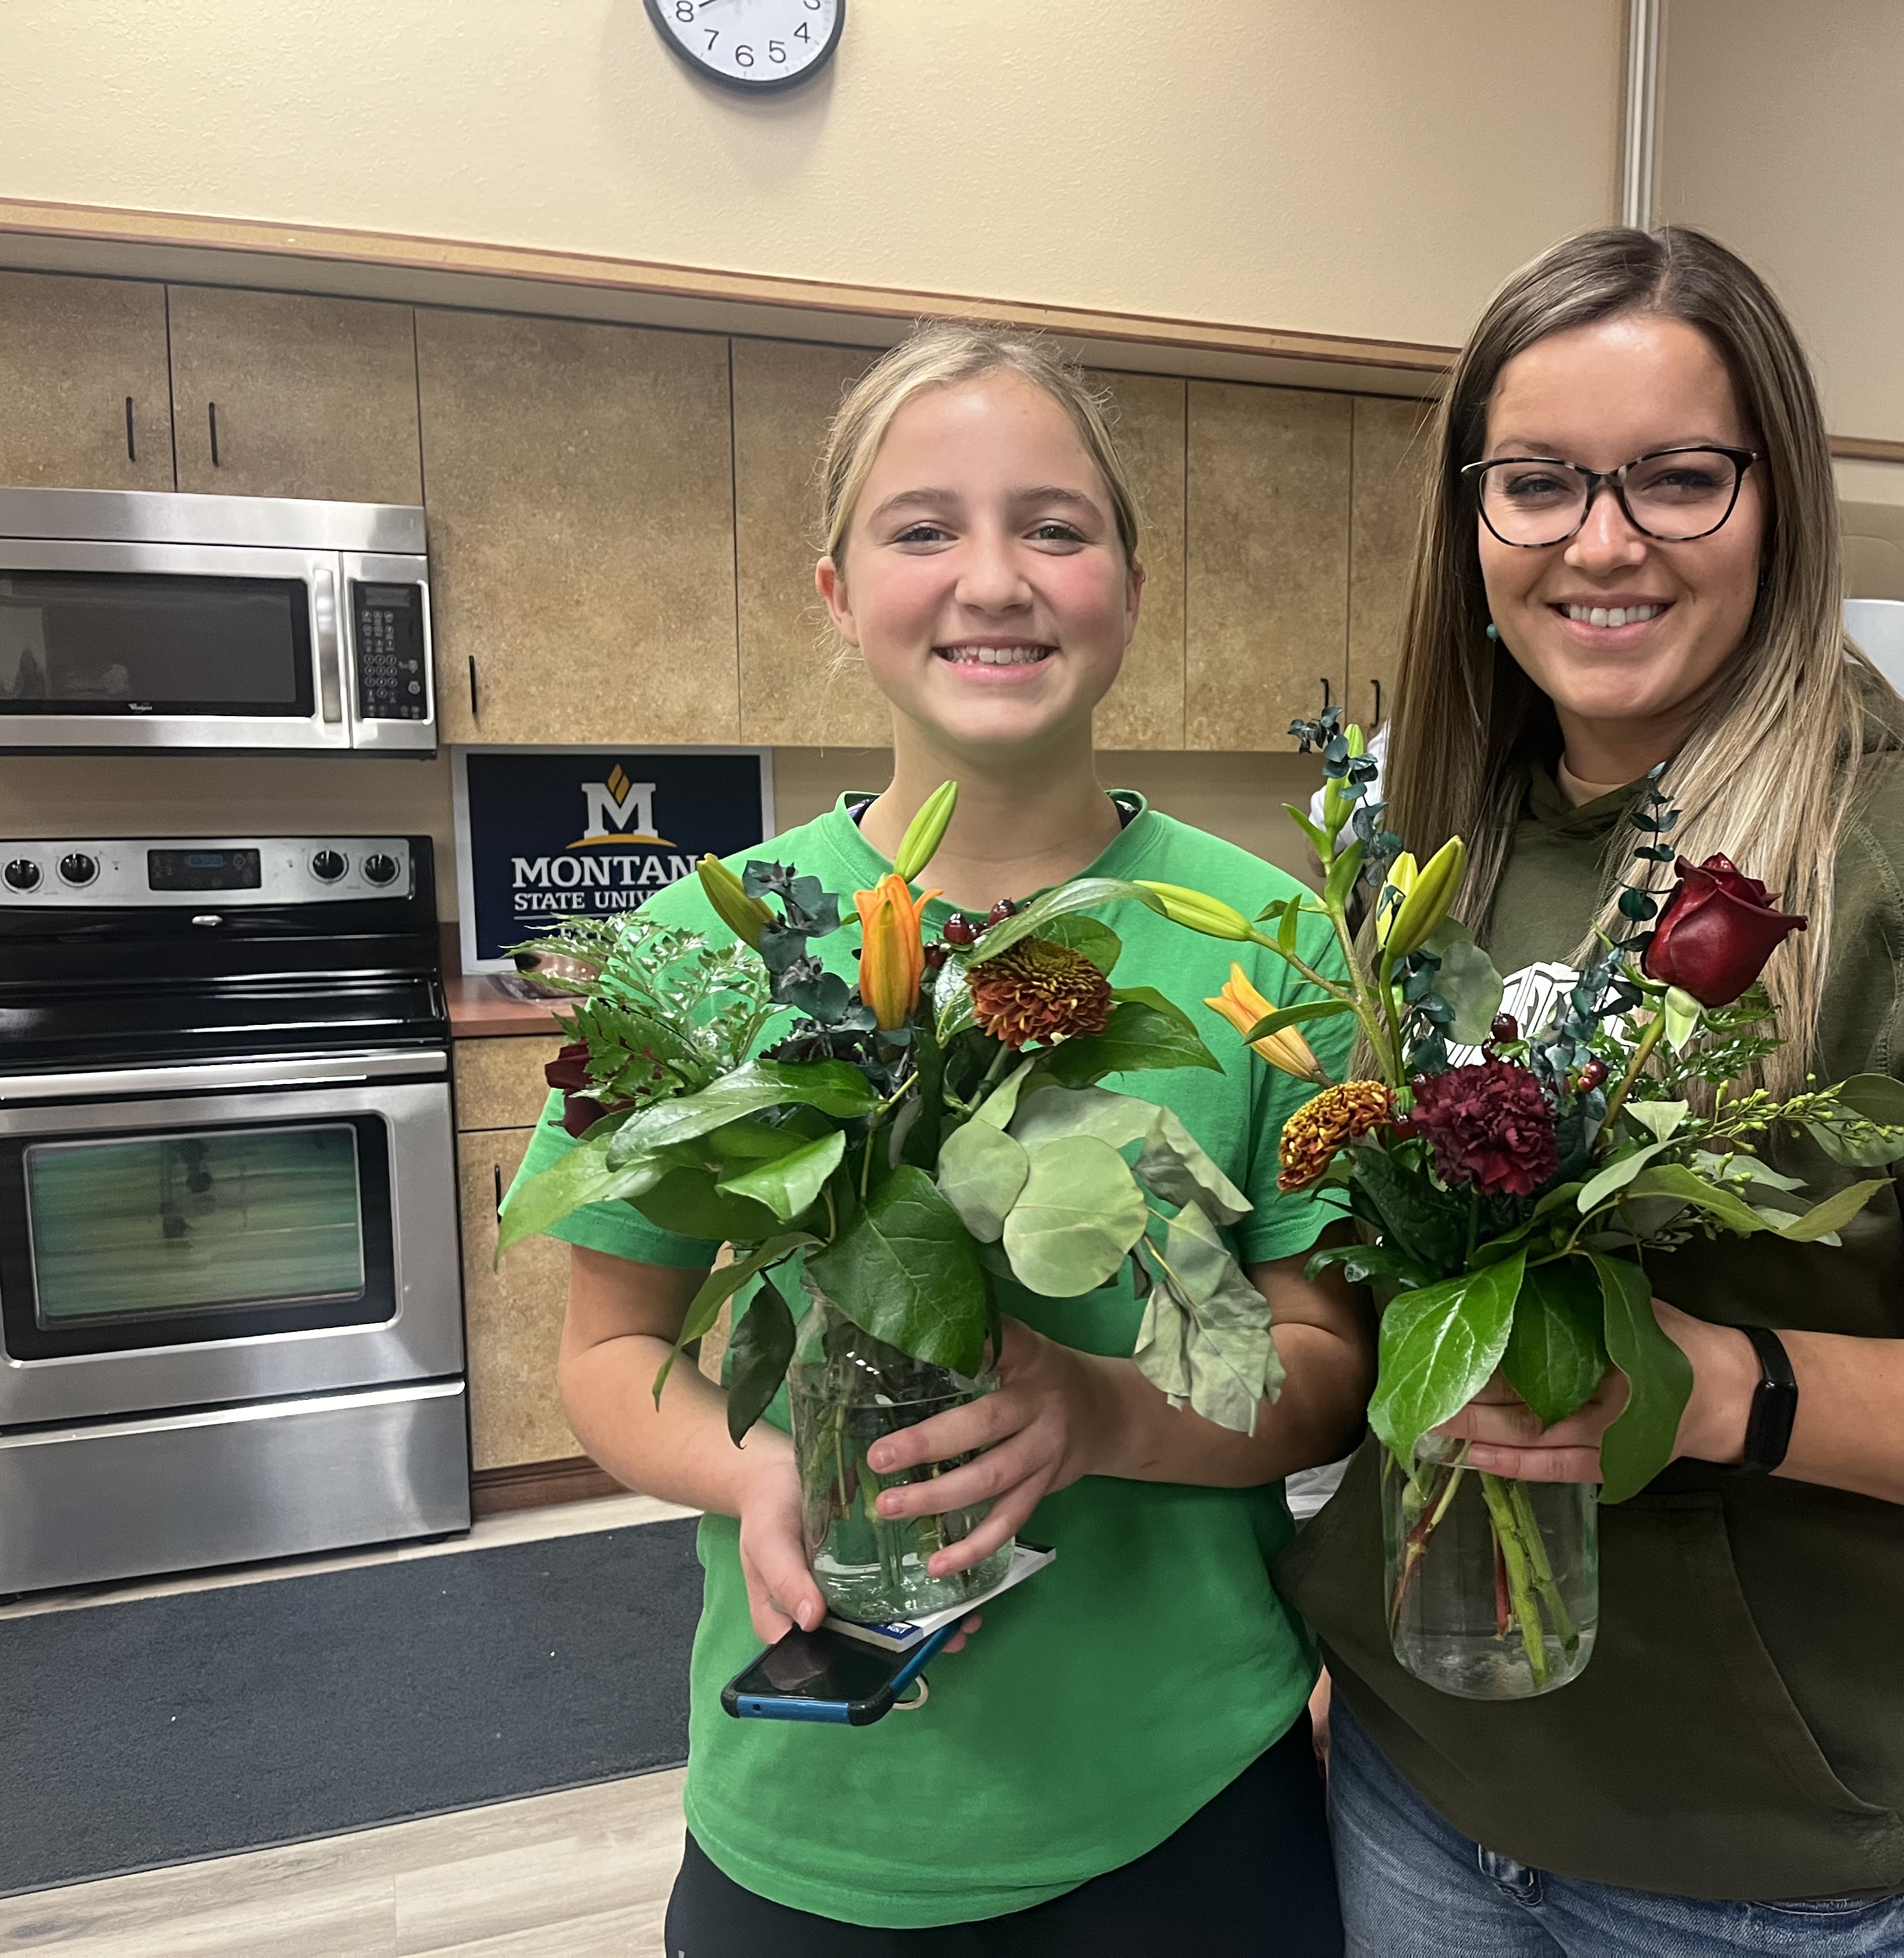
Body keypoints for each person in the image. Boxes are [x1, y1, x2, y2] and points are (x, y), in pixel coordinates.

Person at [1279, 227, 1904, 1957]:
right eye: (1541, 483)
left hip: (1774, 1871)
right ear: (1472, 518)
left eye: (1678, 480)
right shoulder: (1437, 844)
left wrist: (1720, 1387)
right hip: (1420, 1791)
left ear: (1778, 499)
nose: (1603, 541)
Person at [513, 322, 1369, 1955]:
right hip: (814, 1819)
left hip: (1189, 1798)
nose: (995, 580)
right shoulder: (703, 944)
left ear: (1129, 578)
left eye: (1056, 526)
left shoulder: (1274, 945)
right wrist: (758, 1469)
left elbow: (1324, 1363)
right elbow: (608, 1357)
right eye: (925, 529)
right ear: (836, 592)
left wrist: (1100, 1413)